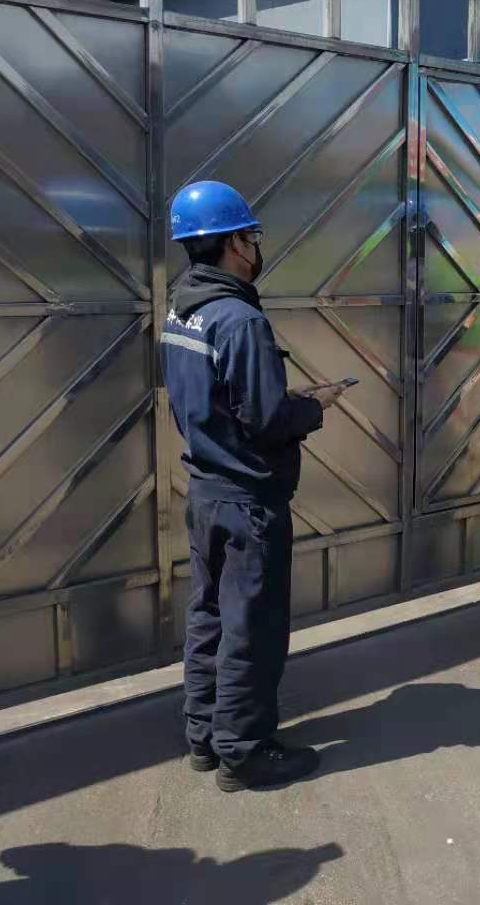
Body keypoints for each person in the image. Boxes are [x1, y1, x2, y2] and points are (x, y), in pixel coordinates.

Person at [161, 180, 346, 792]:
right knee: (252, 629)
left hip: (207, 490)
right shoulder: (239, 320)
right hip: (248, 502)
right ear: (235, 243)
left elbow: (205, 400)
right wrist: (312, 407)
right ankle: (244, 753)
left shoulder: (181, 309)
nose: (257, 246)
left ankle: (204, 737)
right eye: (253, 236)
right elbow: (266, 420)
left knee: (209, 617)